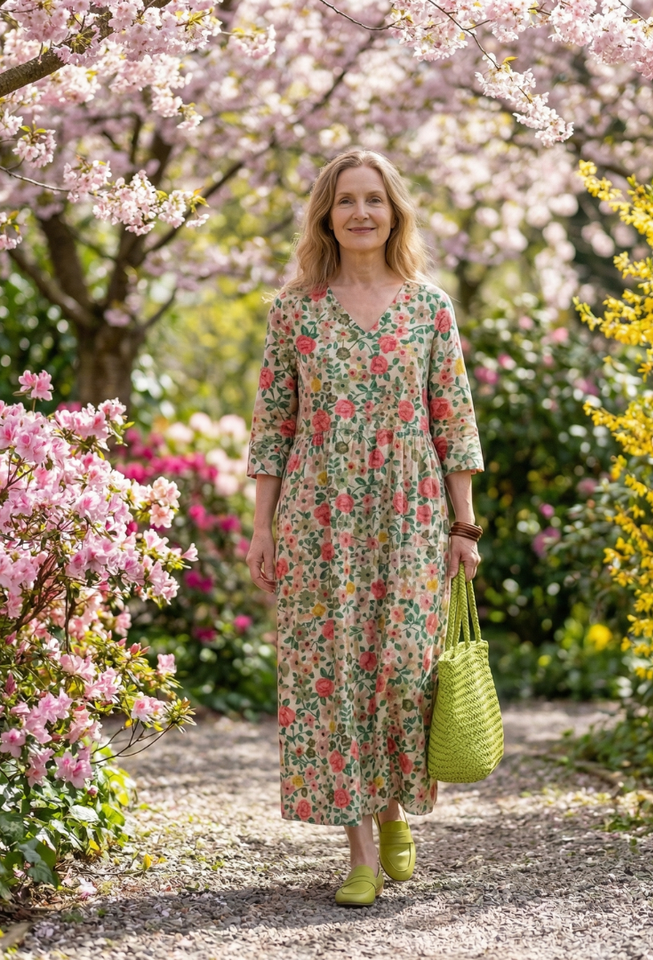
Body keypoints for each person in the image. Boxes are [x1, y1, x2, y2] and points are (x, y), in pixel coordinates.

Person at [246, 150, 484, 907]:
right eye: (345, 200)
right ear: (326, 214)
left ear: (393, 212)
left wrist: (465, 527)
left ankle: (393, 814)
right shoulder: (295, 312)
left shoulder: (428, 308)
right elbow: (273, 426)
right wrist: (263, 528)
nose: (359, 213)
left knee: (400, 673)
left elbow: (454, 420)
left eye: (373, 200)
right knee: (333, 677)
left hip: (411, 518)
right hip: (318, 520)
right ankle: (357, 855)